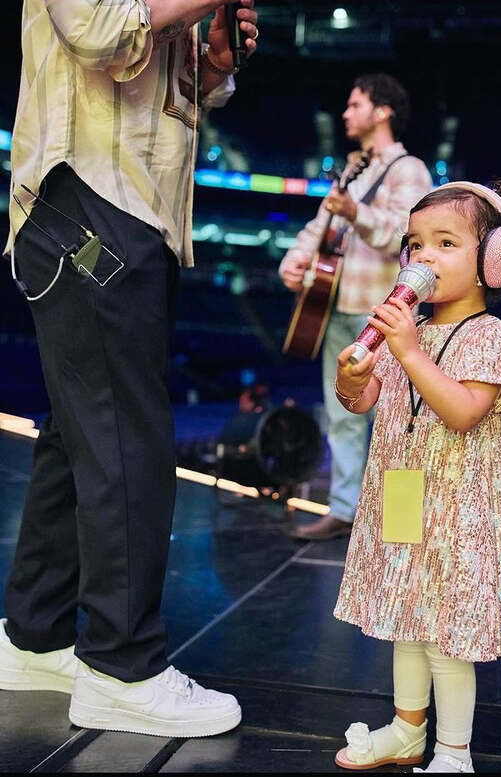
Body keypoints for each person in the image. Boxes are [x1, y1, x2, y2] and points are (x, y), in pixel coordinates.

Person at [0, 0, 259, 738]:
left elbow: (163, 90)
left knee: (77, 434)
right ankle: (121, 666)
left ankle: (35, 635)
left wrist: (208, 65)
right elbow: (93, 29)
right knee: (127, 436)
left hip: (132, 208)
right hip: (89, 197)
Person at [329, 181, 501, 772]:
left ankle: (453, 752)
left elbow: (463, 412)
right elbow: (364, 399)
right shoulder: (408, 333)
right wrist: (353, 376)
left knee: (446, 638)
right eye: (414, 244)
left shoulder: (492, 337)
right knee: (404, 620)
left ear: (492, 263)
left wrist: (408, 352)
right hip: (400, 497)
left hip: (456, 513)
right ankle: (406, 729)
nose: (423, 257)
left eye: (445, 243)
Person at [279, 74, 433, 541]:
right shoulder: (352, 170)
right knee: (343, 416)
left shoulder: (410, 170)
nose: (346, 113)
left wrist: (355, 213)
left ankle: (402, 526)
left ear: (382, 111)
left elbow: (404, 238)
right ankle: (345, 511)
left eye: (355, 104)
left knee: (399, 421)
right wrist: (294, 260)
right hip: (335, 307)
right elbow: (319, 226)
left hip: (387, 317)